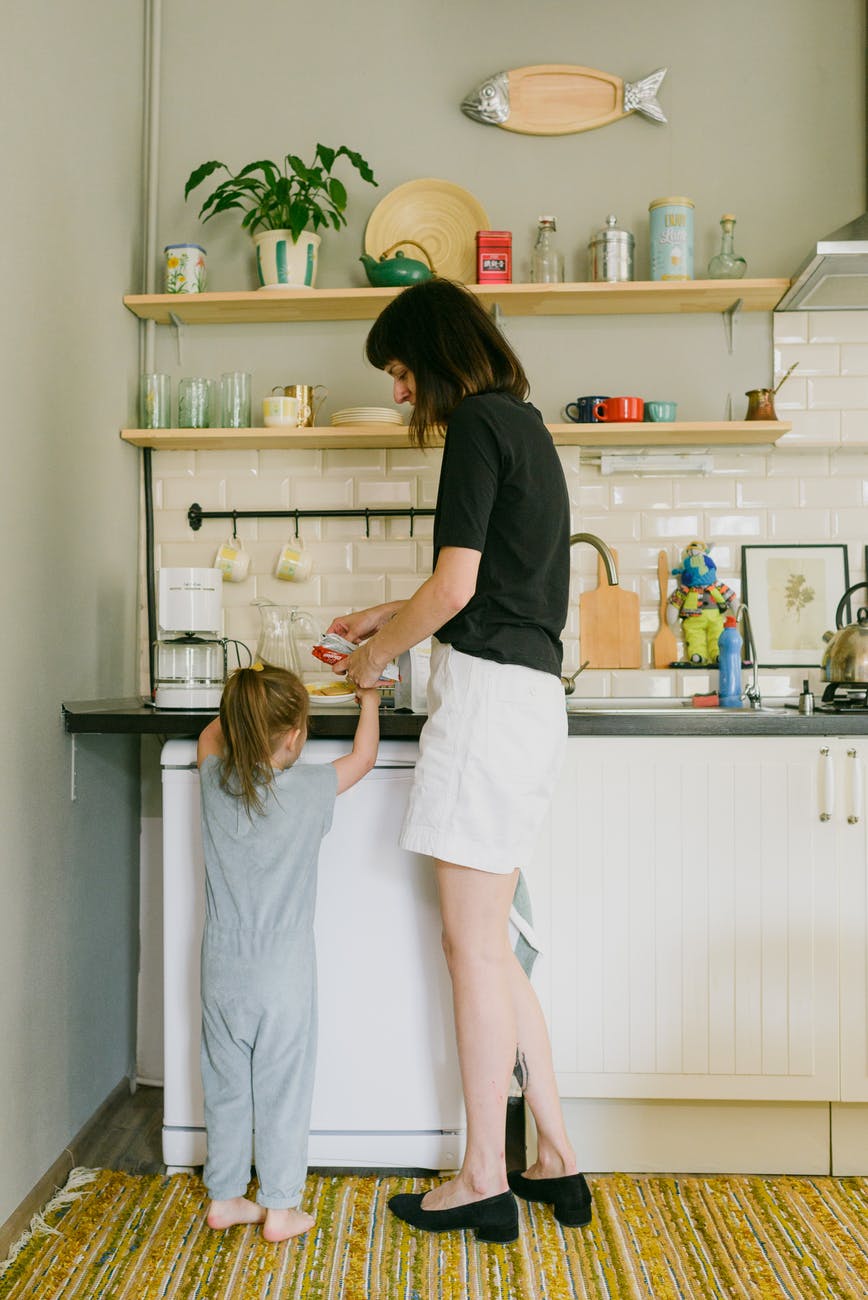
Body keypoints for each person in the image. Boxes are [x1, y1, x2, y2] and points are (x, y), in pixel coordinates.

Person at [326, 279, 591, 1244]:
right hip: (526, 705)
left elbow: (456, 584)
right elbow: (481, 585)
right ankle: (554, 1156)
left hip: (485, 708)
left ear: (436, 359)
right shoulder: (520, 424)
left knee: (471, 950)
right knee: (494, 947)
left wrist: (376, 653)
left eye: (400, 372)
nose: (400, 393)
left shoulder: (477, 425)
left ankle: (484, 1174)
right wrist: (381, 618)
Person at [196, 662, 380, 1242]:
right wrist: (368, 699)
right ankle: (280, 1207)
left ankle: (225, 1198)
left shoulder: (214, 779)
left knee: (226, 1083)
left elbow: (211, 735)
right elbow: (365, 758)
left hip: (221, 968)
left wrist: (242, 711)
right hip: (284, 973)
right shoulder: (309, 788)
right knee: (282, 1085)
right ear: (296, 735)